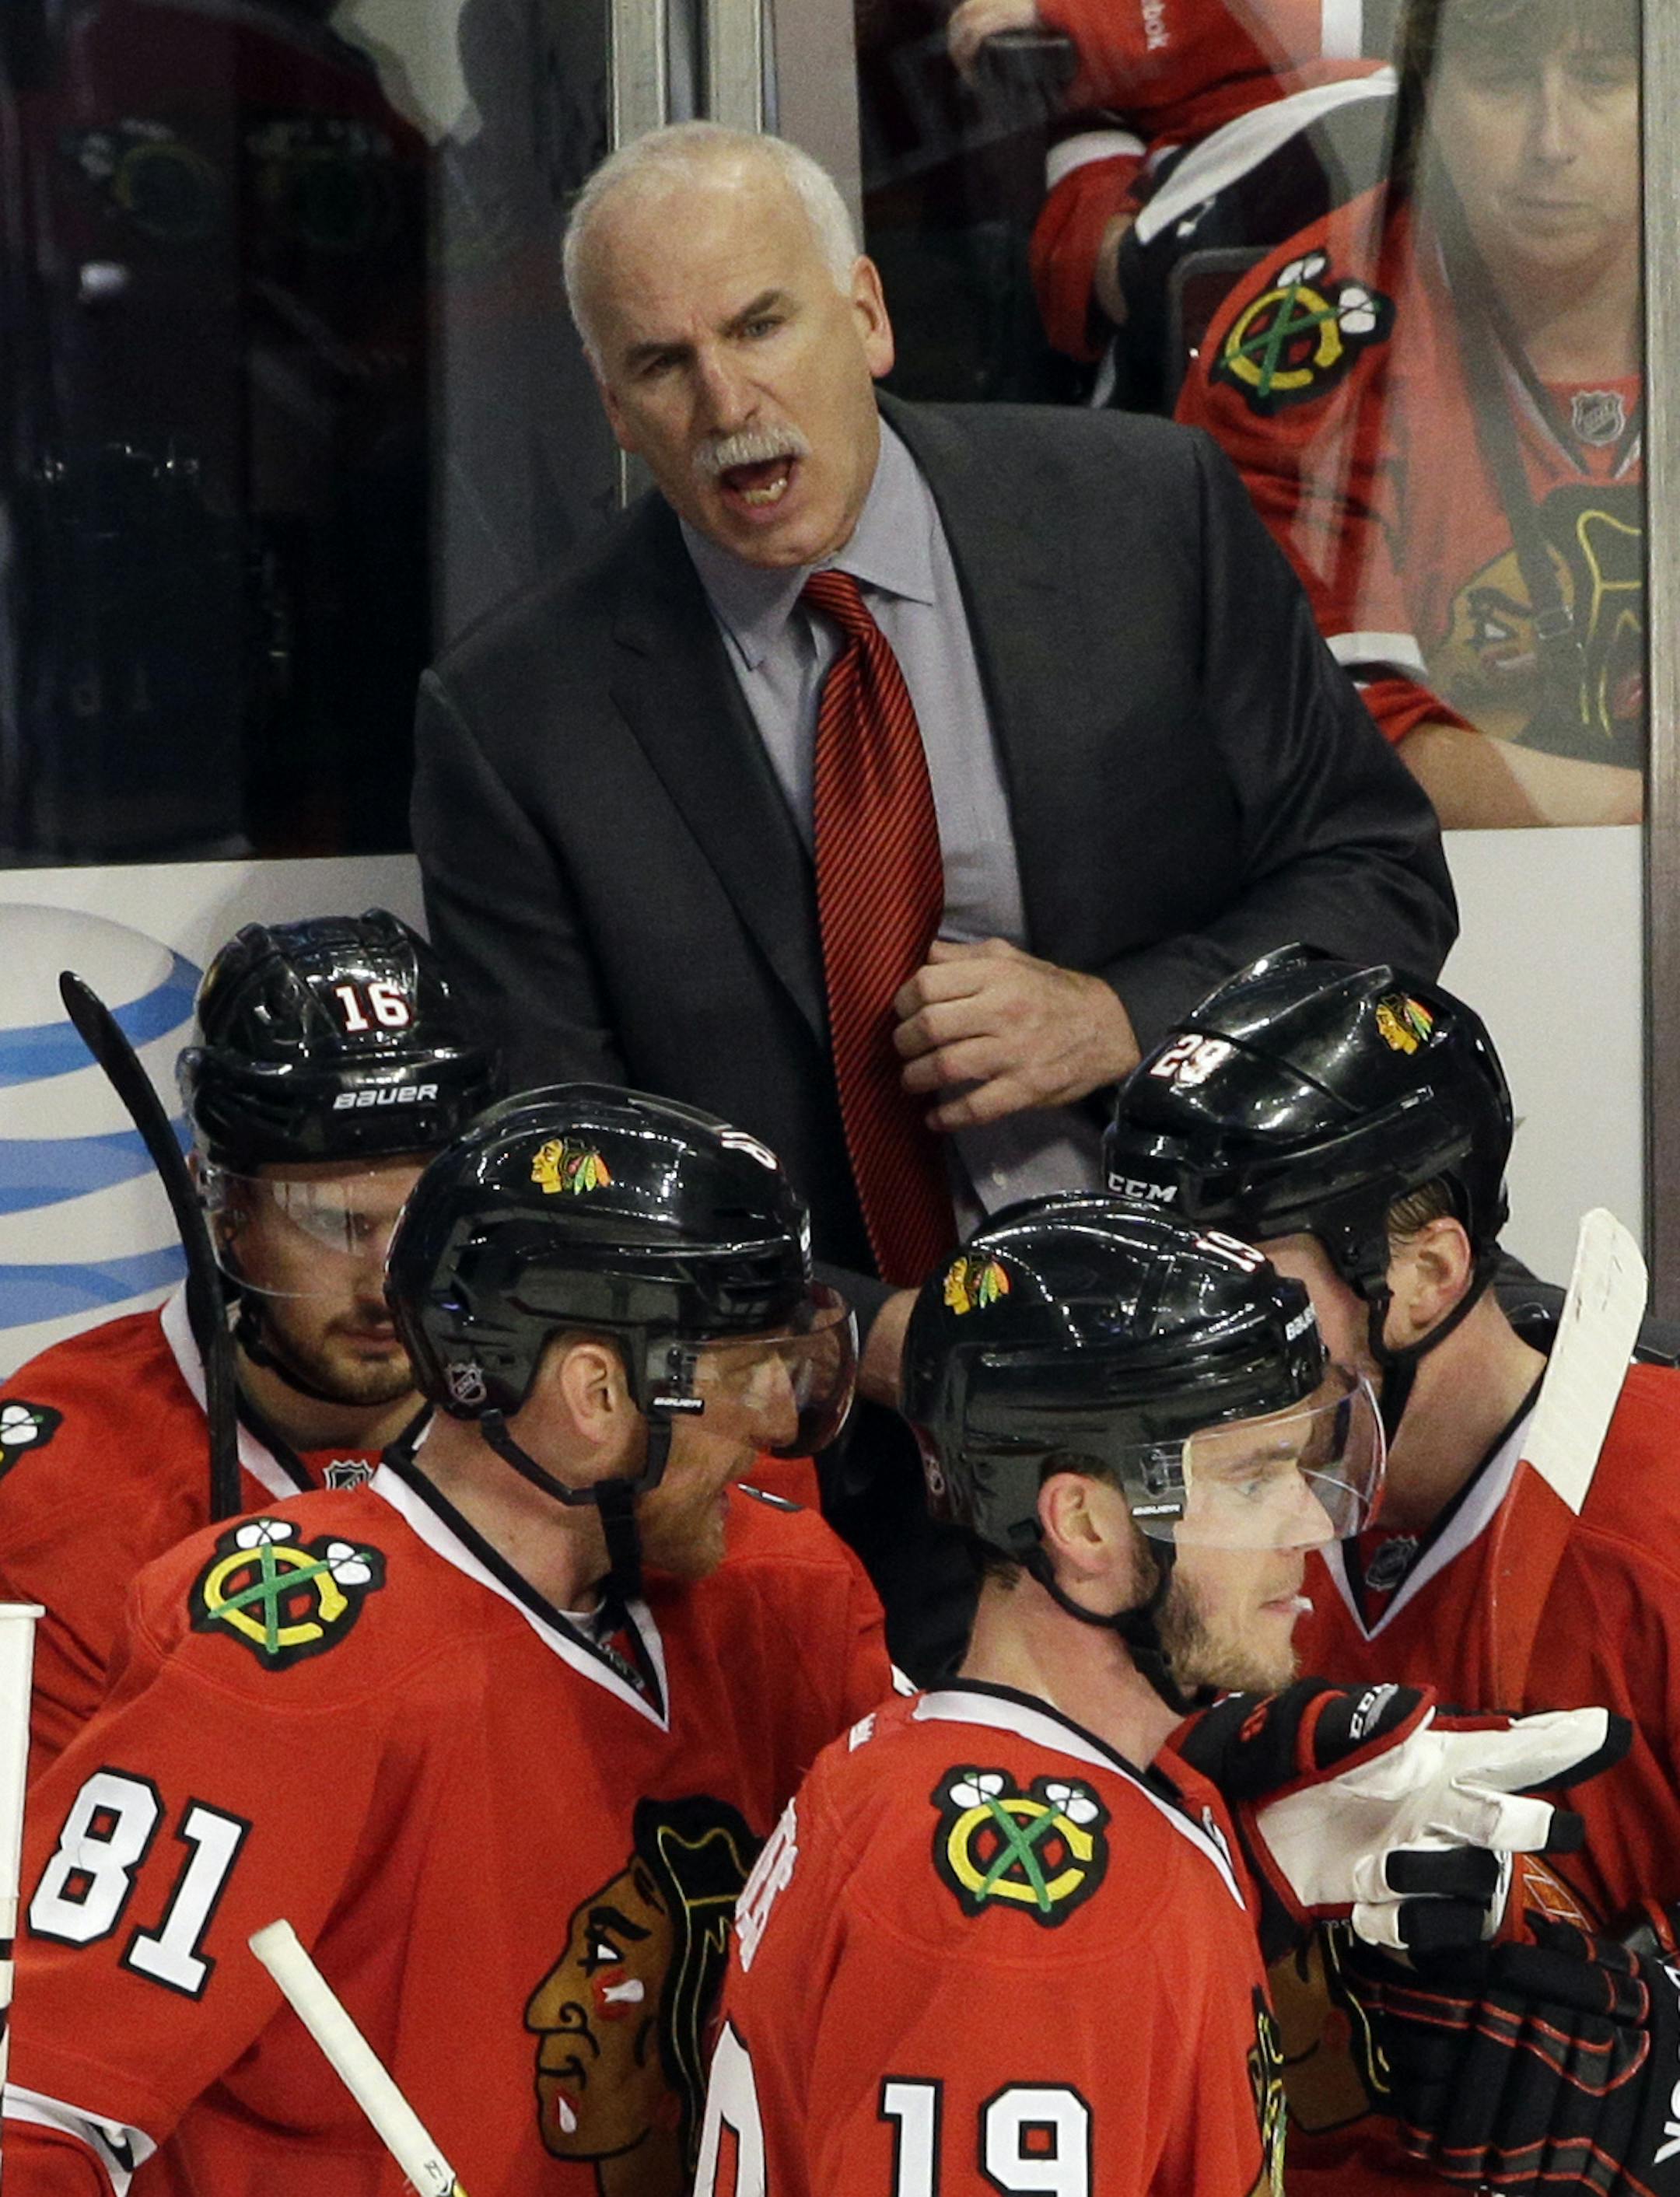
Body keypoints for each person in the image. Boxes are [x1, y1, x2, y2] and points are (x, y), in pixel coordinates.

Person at [411, 119, 1457, 1676]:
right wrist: (876, 1340)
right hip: (824, 1483)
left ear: (867, 315)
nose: (727, 404)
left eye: (762, 324)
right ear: (615, 407)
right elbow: (558, 1188)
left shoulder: (1145, 516)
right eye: (662, 364)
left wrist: (1120, 1018)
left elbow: (1381, 881)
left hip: (1235, 1417)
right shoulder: (519, 718)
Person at [2, 1083, 891, 2197]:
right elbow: (40, 2105)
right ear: (594, 1390)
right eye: (742, 1367)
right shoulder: (283, 1654)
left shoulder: (787, 1596)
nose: (776, 1416)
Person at [692, 1192, 1622, 2196]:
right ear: (1086, 1526)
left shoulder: (899, 1764)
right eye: (1258, 1476)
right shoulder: (1029, 1927)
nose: (1314, 1523)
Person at [1104, 946, 1680, 2191]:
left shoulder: (1662, 1518)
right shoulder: (1145, 1506)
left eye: (1245, 1285)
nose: (1186, 1348)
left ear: (1424, 1273)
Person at [0, 908, 502, 1782]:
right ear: (220, 1204)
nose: (392, 1276)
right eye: (330, 1218)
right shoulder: (50, 1487)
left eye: (430, 1212)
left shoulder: (590, 1432)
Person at [1176, 0, 1643, 827]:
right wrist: (1657, 818)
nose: (1554, 142)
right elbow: (1334, 745)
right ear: (1426, 96)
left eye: (1602, 79)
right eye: (1502, 82)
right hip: (1427, 895)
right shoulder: (1303, 350)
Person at [948, 0, 1391, 406]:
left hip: (1352, 127)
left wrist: (1074, 15)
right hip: (1188, 194)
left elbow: (1359, 19)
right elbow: (1101, 268)